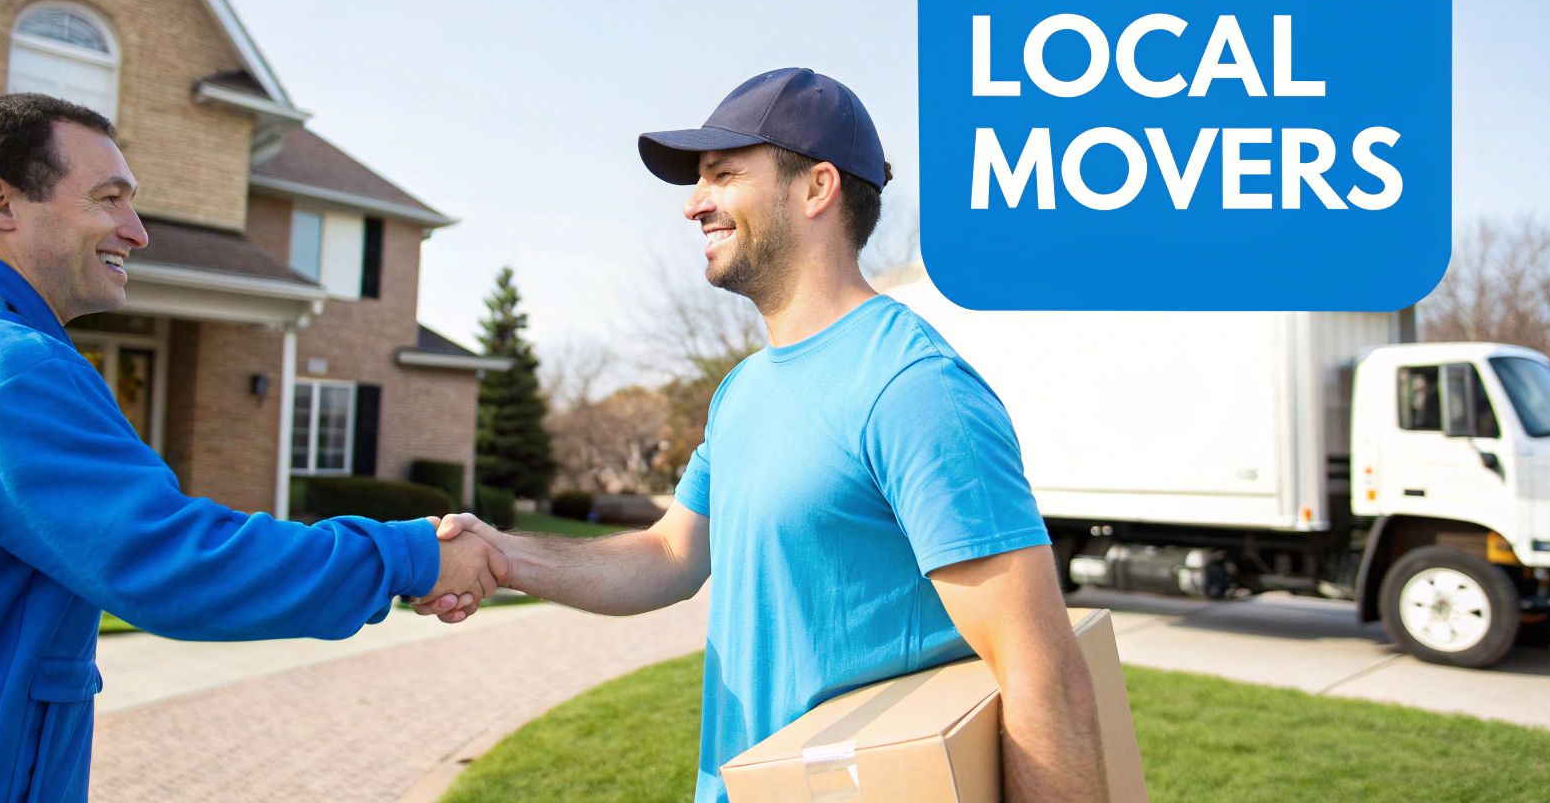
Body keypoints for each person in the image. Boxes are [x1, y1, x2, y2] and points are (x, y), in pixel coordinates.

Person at [425, 68, 1104, 801]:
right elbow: (668, 555)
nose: (694, 206)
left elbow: (1041, 673)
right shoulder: (743, 392)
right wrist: (505, 555)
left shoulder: (913, 388)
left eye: (722, 174)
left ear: (817, 188)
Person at [0, 93, 506, 803]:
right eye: (108, 198)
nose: (137, 231)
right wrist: (413, 555)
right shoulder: (0, 367)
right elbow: (173, 562)